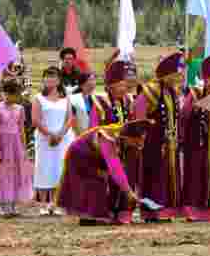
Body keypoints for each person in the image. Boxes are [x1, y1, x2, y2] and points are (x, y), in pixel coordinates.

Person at [56, 119, 151, 225]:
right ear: (128, 137)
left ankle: (103, 214)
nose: (138, 144)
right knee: (93, 183)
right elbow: (115, 167)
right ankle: (89, 218)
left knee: (103, 180)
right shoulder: (107, 137)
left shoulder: (123, 139)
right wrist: (128, 191)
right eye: (137, 141)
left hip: (94, 156)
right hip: (79, 155)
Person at [134, 52, 186, 221]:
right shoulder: (151, 90)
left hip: (170, 142)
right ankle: (152, 212)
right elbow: (139, 113)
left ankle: (167, 210)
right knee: (154, 176)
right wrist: (141, 136)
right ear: (167, 74)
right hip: (153, 142)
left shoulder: (173, 90)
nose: (179, 77)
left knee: (168, 176)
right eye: (176, 74)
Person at [179, 55, 210, 222]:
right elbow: (184, 115)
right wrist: (207, 103)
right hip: (197, 145)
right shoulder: (195, 93)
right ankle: (192, 211)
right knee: (195, 176)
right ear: (205, 79)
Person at [91, 58, 137, 223]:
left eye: (125, 84)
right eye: (121, 85)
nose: (124, 88)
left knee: (129, 169)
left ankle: (124, 211)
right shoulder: (100, 101)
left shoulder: (129, 101)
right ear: (111, 86)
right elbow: (94, 128)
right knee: (109, 170)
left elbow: (133, 123)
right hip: (104, 144)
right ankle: (107, 209)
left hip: (124, 145)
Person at [0, 79, 33, 217]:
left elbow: (21, 129)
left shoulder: (20, 108)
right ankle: (4, 205)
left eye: (13, 94)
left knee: (16, 173)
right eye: (7, 93)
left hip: (16, 143)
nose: (10, 97)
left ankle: (13, 204)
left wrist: (23, 148)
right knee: (3, 174)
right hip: (2, 143)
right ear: (2, 93)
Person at [32, 67, 75, 215]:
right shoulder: (38, 98)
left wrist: (61, 134)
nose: (50, 80)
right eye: (47, 77)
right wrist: (50, 134)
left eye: (53, 77)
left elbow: (70, 118)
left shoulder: (65, 98)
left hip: (62, 138)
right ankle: (43, 204)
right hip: (44, 139)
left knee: (59, 168)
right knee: (44, 168)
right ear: (44, 80)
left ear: (58, 80)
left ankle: (55, 203)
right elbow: (35, 120)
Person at [69, 72, 97, 137]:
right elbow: (72, 120)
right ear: (82, 84)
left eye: (94, 80)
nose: (92, 82)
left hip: (93, 135)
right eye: (90, 80)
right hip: (78, 135)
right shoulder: (73, 99)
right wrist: (80, 136)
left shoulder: (96, 98)